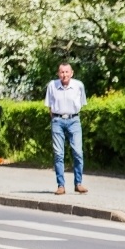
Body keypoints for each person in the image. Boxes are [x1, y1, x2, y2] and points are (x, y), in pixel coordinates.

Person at [45, 62, 87, 195]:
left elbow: (82, 103)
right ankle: (61, 185)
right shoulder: (52, 85)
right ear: (58, 73)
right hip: (57, 120)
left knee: (78, 152)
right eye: (62, 72)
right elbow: (49, 106)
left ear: (71, 73)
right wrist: (55, 119)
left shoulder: (78, 86)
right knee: (58, 154)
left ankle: (78, 183)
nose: (64, 75)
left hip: (74, 120)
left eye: (67, 72)